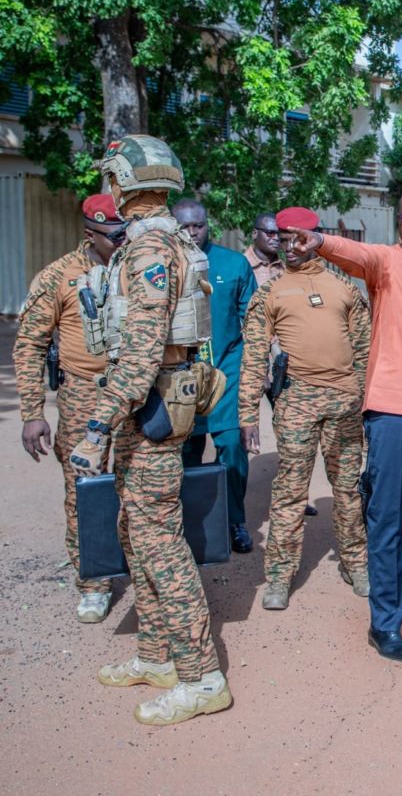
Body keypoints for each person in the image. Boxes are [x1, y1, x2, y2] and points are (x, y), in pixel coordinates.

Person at [68, 134, 231, 725]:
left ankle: (201, 677)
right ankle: (157, 656)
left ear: (122, 183)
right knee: (137, 536)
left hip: (151, 412)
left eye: (110, 178)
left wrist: (94, 428)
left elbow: (139, 355)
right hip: (149, 410)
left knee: (162, 547)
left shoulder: (147, 250)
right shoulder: (157, 242)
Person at [285, 186, 402, 664]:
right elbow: (355, 253)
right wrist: (320, 242)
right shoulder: (385, 264)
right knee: (388, 520)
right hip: (392, 414)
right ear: (398, 221)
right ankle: (385, 624)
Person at [238, 207, 370, 610]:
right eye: (281, 237)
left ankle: (356, 563)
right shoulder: (271, 291)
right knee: (290, 493)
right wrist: (247, 413)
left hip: (344, 403)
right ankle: (279, 577)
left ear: (312, 238)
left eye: (297, 238)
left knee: (347, 490)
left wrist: (365, 400)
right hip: (296, 403)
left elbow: (364, 348)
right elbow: (255, 355)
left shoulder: (344, 288)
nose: (288, 245)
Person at [14, 193, 126, 622]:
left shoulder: (138, 270)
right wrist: (32, 412)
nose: (121, 241)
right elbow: (29, 345)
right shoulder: (58, 276)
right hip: (84, 396)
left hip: (133, 394)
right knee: (87, 490)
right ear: (89, 234)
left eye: (125, 233)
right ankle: (94, 582)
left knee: (136, 485)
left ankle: (139, 562)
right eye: (113, 236)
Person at [175, 199, 258, 554]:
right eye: (185, 226)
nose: (193, 232)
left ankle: (234, 519)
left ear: (209, 225)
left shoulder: (233, 263)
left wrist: (256, 372)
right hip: (179, 378)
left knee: (231, 446)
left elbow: (254, 323)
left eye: (199, 225)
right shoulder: (163, 265)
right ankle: (192, 522)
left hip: (226, 372)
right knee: (186, 450)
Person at [242, 210, 318, 518]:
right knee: (242, 436)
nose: (276, 239)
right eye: (269, 233)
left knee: (292, 435)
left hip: (283, 366)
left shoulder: (290, 267)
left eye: (281, 235)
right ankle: (237, 509)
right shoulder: (242, 266)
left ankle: (297, 496)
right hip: (250, 362)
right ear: (254, 234)